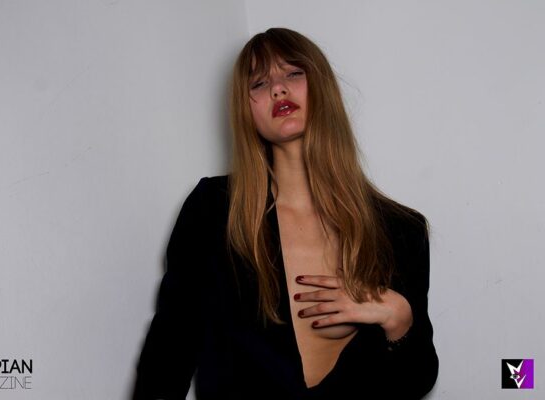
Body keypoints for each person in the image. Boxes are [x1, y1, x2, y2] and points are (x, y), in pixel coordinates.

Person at [132, 27, 439, 399]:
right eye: (259, 83)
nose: (278, 88)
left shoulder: (400, 229)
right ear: (246, 110)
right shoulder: (213, 211)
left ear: (322, 88)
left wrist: (399, 317)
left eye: (293, 73)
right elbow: (169, 352)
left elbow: (416, 381)